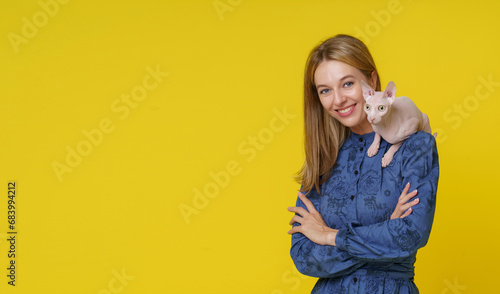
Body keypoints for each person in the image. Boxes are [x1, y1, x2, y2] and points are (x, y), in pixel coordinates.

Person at [287, 34, 439, 293]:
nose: (338, 100)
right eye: (325, 90)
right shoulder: (323, 157)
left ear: (372, 82)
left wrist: (329, 236)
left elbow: (410, 234)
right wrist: (383, 234)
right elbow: (303, 256)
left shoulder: (416, 146)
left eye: (347, 84)